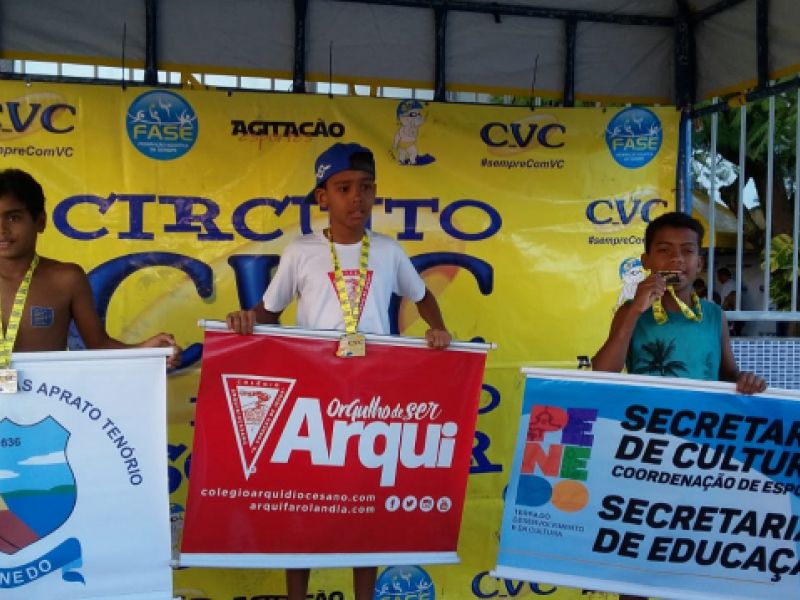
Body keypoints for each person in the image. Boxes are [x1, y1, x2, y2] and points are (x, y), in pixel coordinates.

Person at [226, 141, 451, 600]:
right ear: (322, 197)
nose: (357, 198)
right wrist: (246, 319)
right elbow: (269, 310)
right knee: (305, 500)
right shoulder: (301, 251)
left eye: (365, 187)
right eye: (344, 188)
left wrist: (438, 329)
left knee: (364, 500)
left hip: (371, 396)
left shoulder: (387, 251)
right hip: (313, 395)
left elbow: (422, 295)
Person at [0, 168, 180, 366]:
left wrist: (147, 351)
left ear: (40, 221)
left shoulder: (66, 279)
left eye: (13, 218)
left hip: (49, 387)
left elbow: (99, 345)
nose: (2, 229)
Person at [592, 211, 765, 394]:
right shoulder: (629, 311)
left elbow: (728, 374)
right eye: (664, 250)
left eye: (687, 250)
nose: (676, 258)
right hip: (646, 411)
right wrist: (635, 311)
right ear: (646, 261)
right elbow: (602, 372)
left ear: (699, 264)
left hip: (700, 411)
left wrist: (744, 380)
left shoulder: (714, 315)